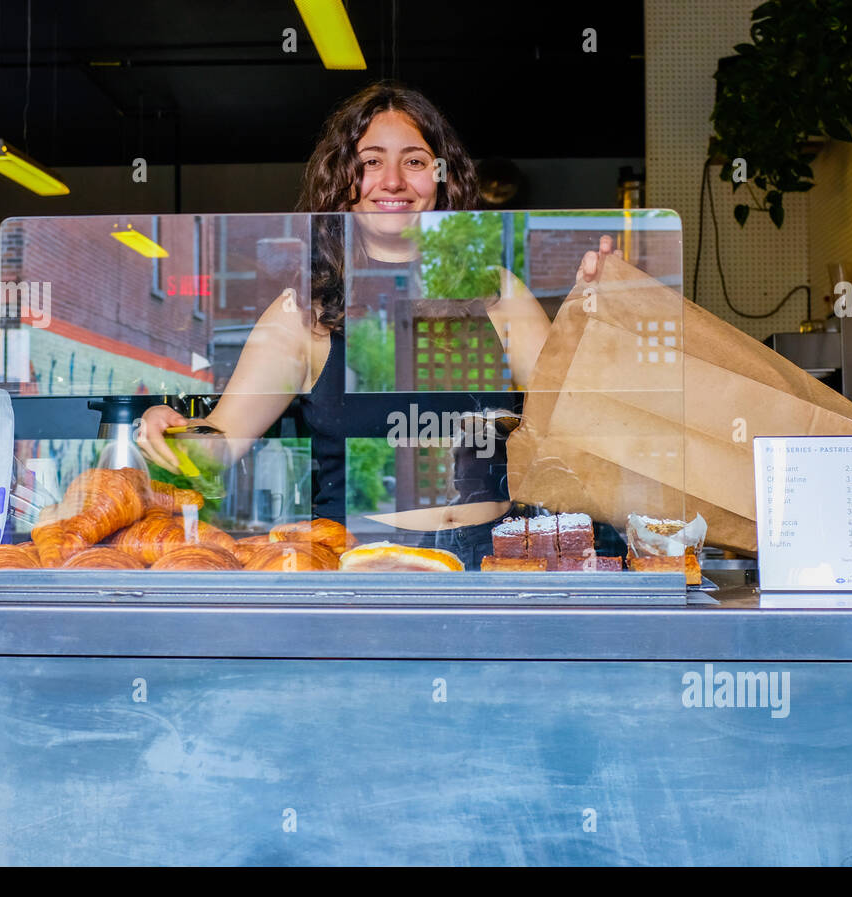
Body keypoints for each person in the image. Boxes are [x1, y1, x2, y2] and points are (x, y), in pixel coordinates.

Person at [135, 81, 620, 565]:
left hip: (489, 562)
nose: (392, 181)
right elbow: (224, 440)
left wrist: (588, 322)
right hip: (360, 564)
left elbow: (571, 426)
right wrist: (174, 432)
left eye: (414, 161)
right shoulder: (303, 312)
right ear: (343, 179)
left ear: (442, 176)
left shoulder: (498, 294)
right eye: (370, 162)